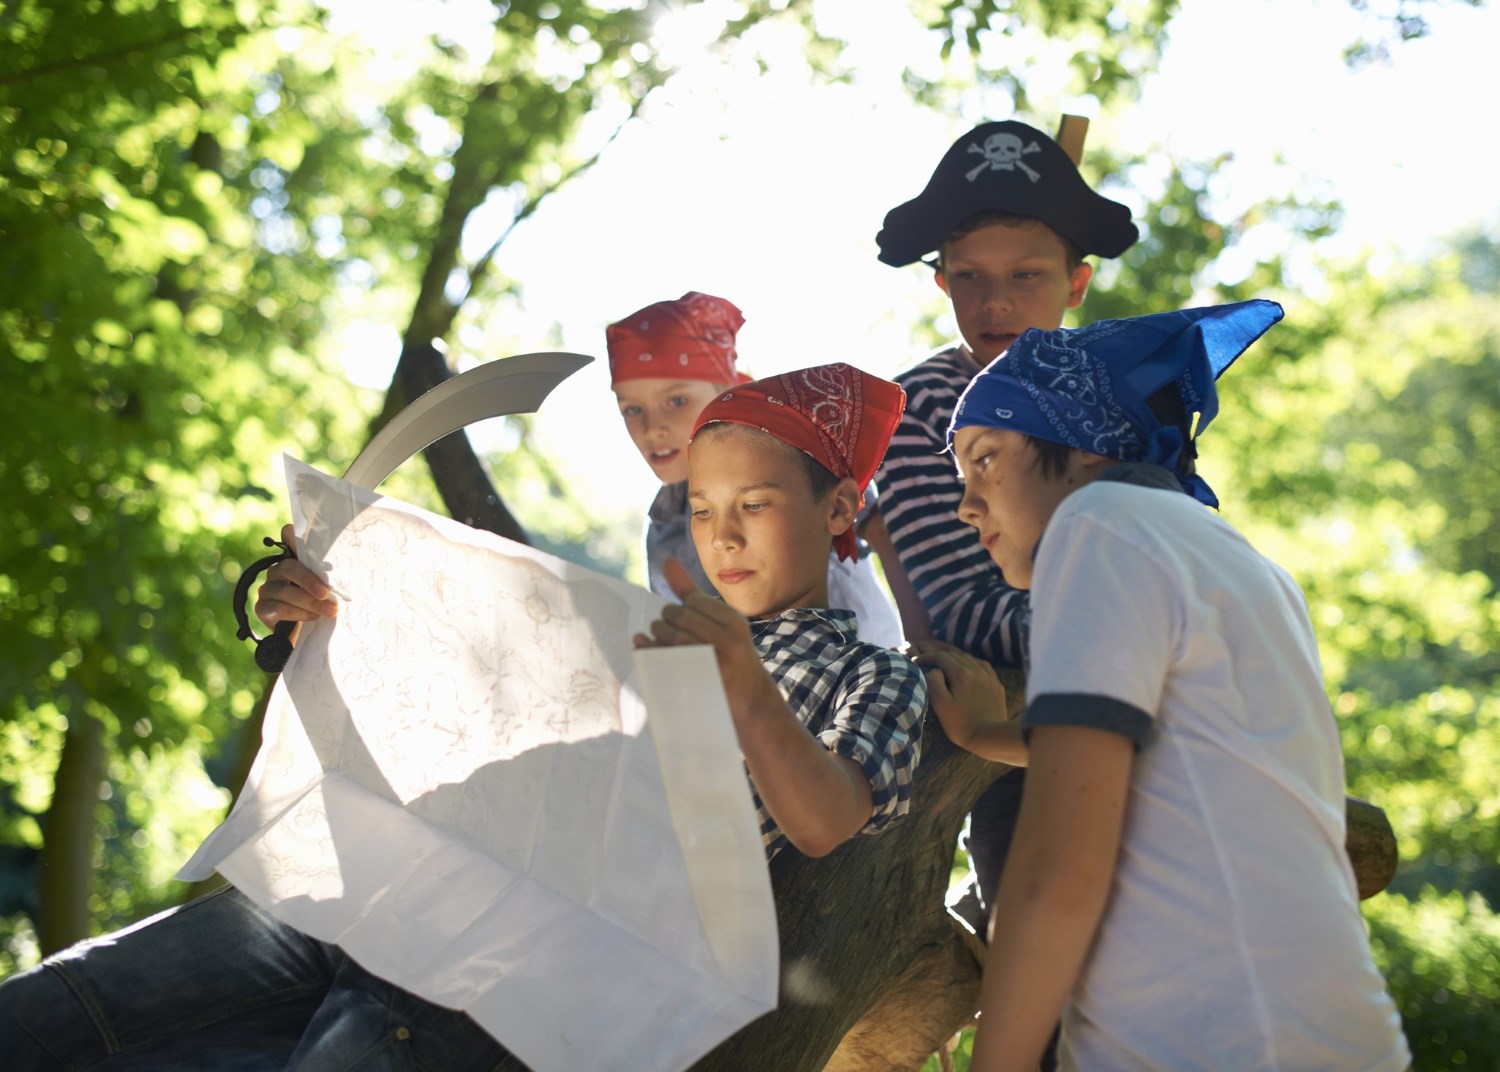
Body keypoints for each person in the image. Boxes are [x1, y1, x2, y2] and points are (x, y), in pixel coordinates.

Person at [0, 365, 926, 1070]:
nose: (722, 534)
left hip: (495, 969)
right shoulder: (640, 629)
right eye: (704, 507)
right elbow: (458, 712)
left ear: (839, 507)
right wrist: (324, 620)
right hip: (365, 885)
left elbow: (827, 819)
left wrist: (746, 691)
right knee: (46, 1015)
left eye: (755, 505)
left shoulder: (875, 677)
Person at [922, 300, 1412, 1071]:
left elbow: (1057, 874)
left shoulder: (1097, 523)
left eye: (985, 458)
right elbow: (1174, 758)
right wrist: (985, 735)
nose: (965, 503)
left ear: (1085, 444)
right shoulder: (1230, 557)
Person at [867, 118, 1139, 912]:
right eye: (970, 277)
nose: (997, 302)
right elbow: (959, 607)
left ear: (1076, 284)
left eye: (1027, 275)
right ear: (941, 283)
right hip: (1018, 741)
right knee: (1042, 947)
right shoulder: (918, 409)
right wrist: (1127, 626)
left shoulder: (1125, 395)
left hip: (1162, 726)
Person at [608, 291, 904, 648]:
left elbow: (884, 534)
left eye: (677, 401)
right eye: (632, 409)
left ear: (728, 391)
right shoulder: (662, 523)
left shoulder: (796, 458)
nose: (652, 427)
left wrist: (919, 640)